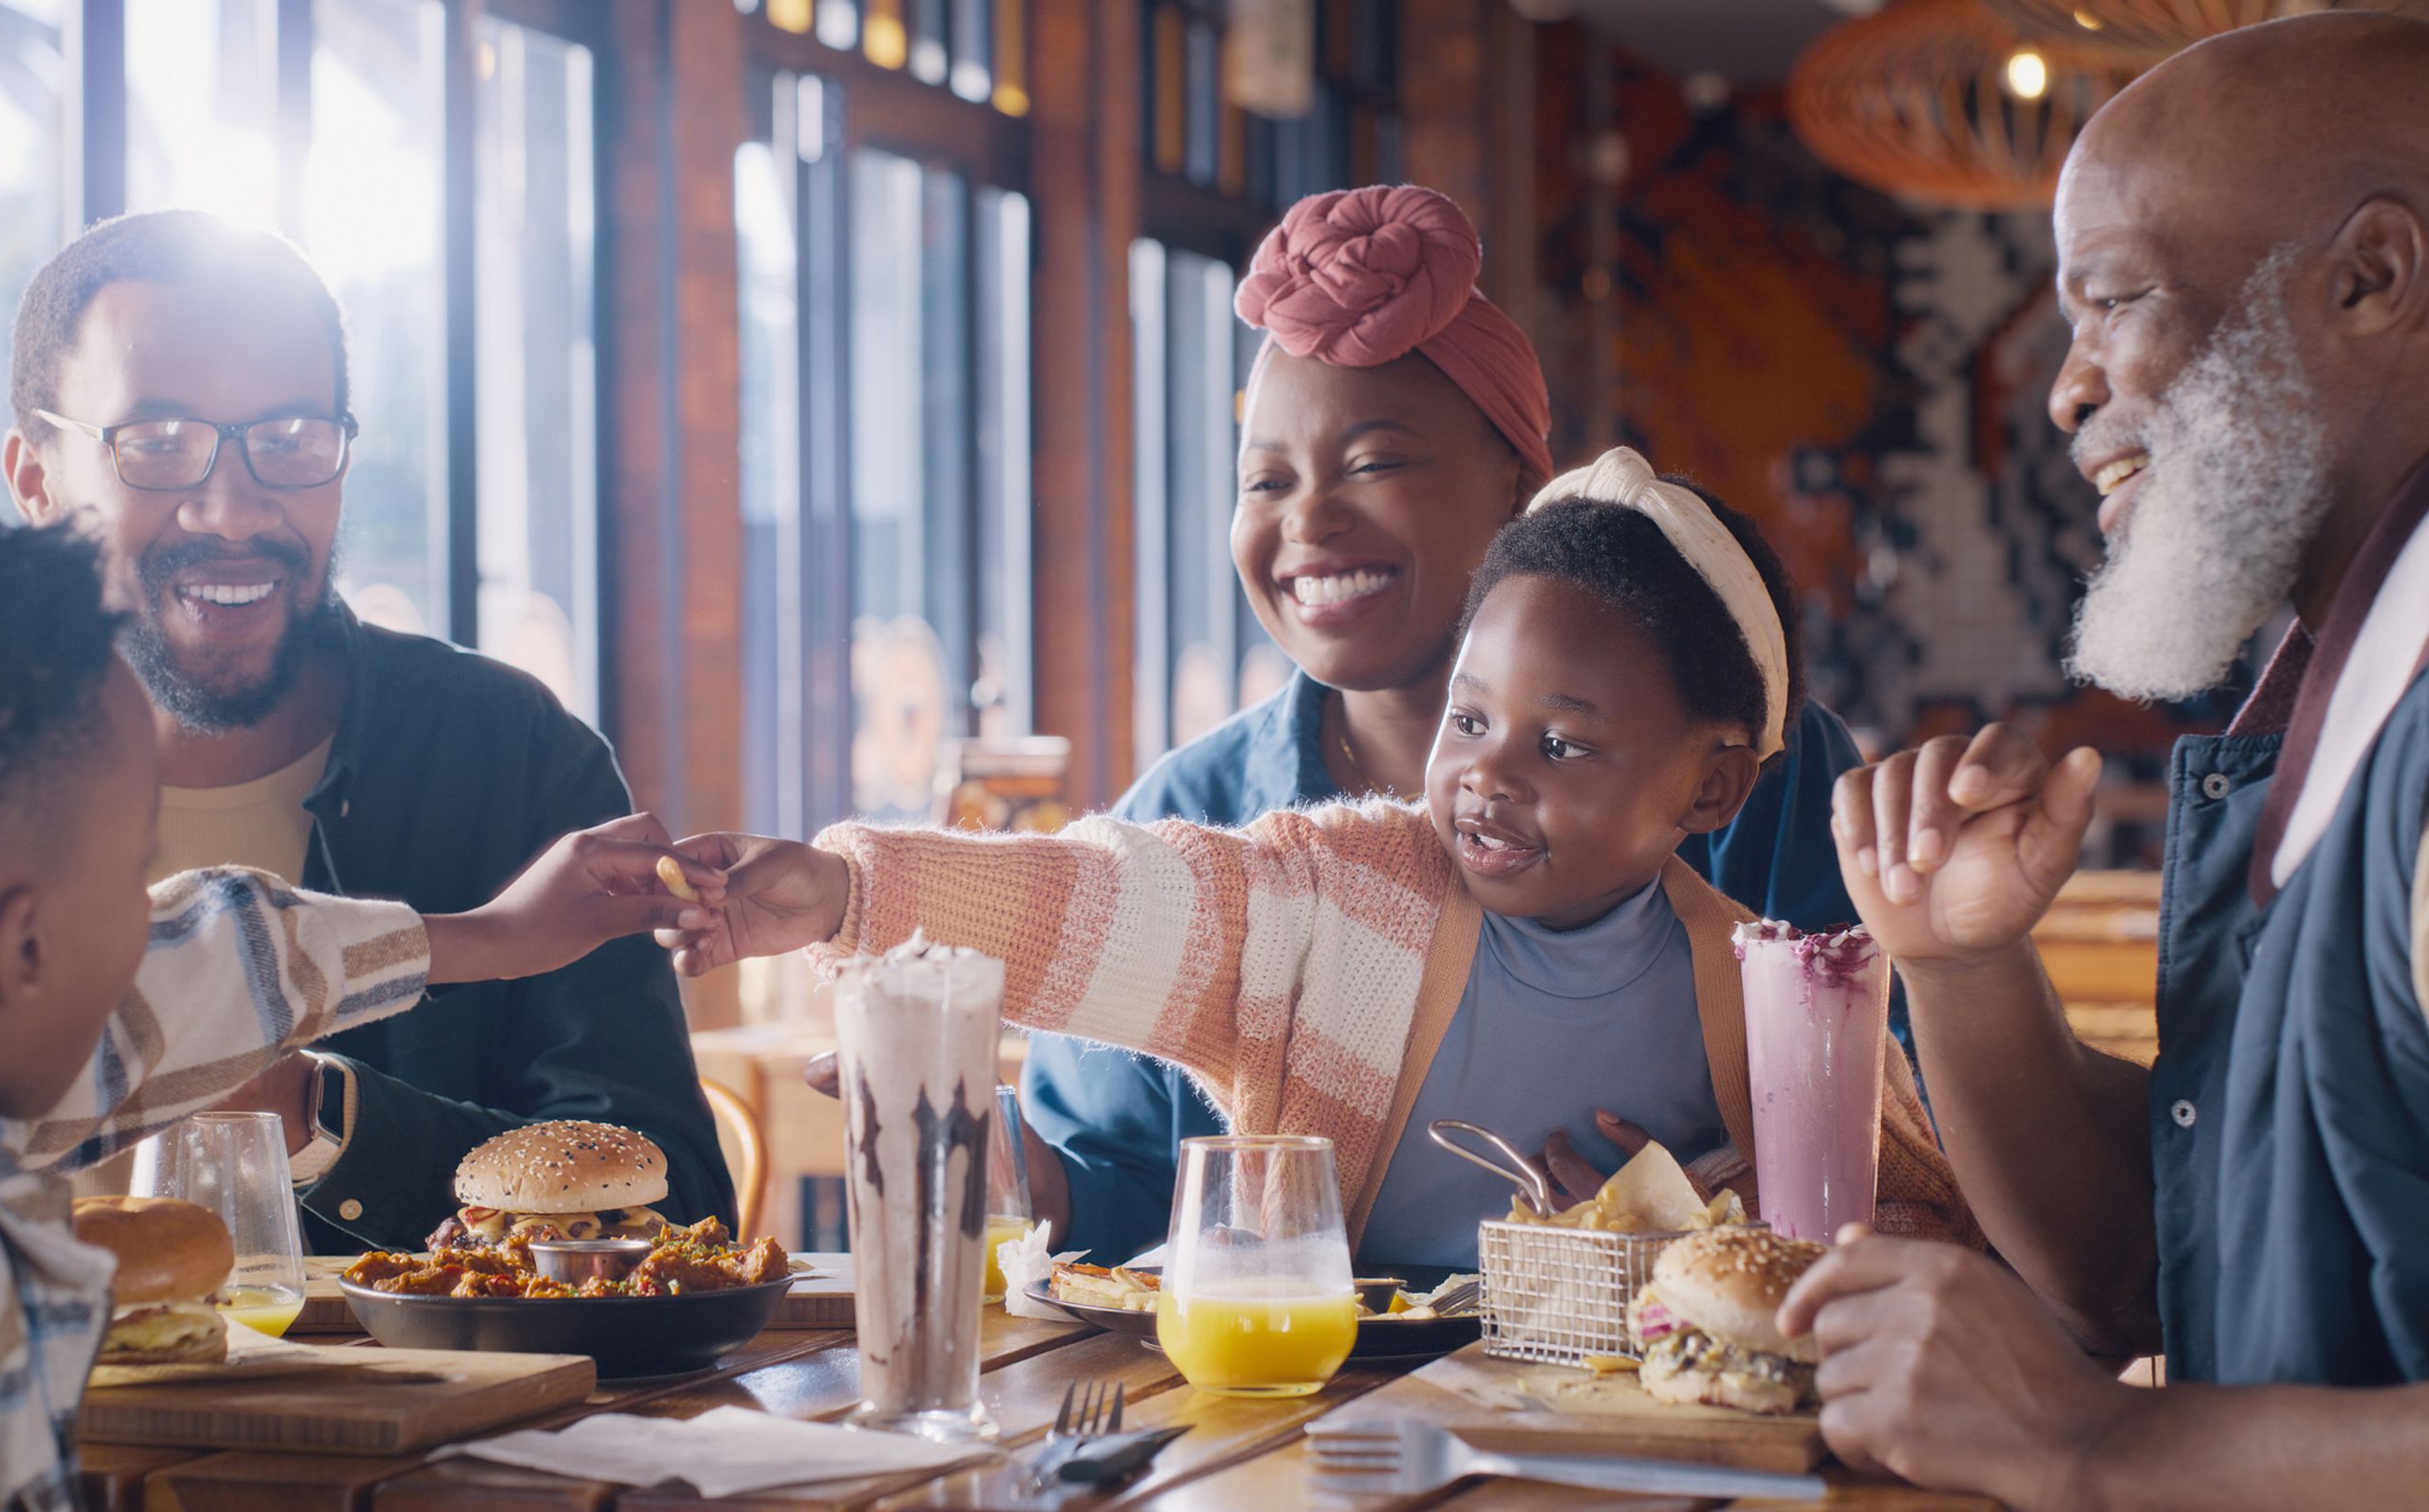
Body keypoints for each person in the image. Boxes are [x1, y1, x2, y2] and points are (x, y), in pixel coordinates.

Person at [0, 210, 733, 1247]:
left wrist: (311, 1118)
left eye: (289, 437)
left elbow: (674, 1214)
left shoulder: (510, 756)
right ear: (34, 476)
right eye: (157, 443)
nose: (232, 507)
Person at [0, 495, 718, 1512]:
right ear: (23, 945)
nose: (148, 921)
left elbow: (197, 975)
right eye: (132, 876)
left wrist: (494, 937)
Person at [670, 448, 1972, 1269]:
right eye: (1469, 720)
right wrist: (852, 891)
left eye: (1565, 747)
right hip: (1308, 1429)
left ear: (1713, 785)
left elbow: (1929, 1228)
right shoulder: (1343, 896)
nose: (1489, 775)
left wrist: (1706, 1238)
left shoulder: (1772, 995)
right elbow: (1113, 901)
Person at [1773, 14, 2429, 1509]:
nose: (2067, 394)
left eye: (2115, 297)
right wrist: (1962, 965)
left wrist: (2095, 1446)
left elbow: (2129, 1396)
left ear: (2373, 278)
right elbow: (2160, 1270)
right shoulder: (2337, 676)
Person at [1017, 184, 1868, 1266]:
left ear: (1518, 483)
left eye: (1373, 464)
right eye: (1266, 479)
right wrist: (1007, 1169)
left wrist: (1699, 1209)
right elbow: (1122, 1193)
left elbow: (1885, 1130)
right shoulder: (1196, 812)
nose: (1309, 521)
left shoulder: (1768, 783)